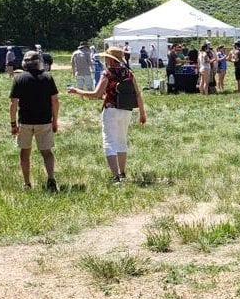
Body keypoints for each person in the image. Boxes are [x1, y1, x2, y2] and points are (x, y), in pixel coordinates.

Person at [67, 47, 146, 183]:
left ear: (110, 59)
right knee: (122, 141)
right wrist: (142, 113)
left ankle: (115, 177)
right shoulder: (129, 73)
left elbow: (96, 94)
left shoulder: (107, 73)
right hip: (126, 110)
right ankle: (122, 173)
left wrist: (77, 91)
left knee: (109, 142)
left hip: (111, 110)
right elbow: (137, 94)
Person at [10, 51, 60, 191]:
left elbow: (13, 104)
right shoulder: (47, 78)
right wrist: (55, 120)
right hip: (44, 121)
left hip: (25, 122)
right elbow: (55, 101)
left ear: (24, 63)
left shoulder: (19, 79)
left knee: (24, 152)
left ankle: (26, 183)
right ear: (39, 62)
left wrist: (13, 124)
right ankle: (50, 179)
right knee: (47, 152)